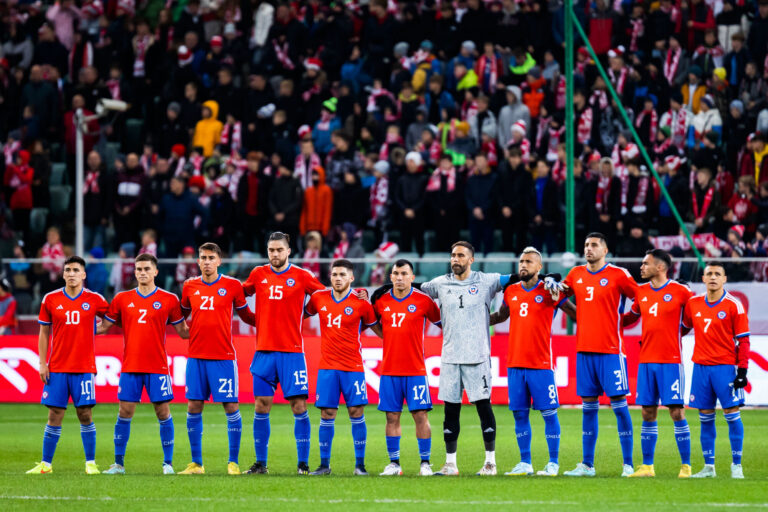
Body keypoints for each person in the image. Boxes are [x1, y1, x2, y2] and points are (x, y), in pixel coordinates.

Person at [97, 253, 190, 474]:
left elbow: (183, 332)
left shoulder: (169, 299)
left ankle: (168, 464)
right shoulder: (122, 299)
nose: (142, 273)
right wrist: (77, 328)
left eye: (147, 269)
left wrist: (208, 324)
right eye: (138, 269)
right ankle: (118, 464)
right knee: (124, 411)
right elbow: (103, 327)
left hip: (157, 366)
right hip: (130, 366)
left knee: (163, 411)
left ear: (156, 271)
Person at [241, 232, 325, 475]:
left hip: (292, 353)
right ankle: (260, 463)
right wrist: (249, 317)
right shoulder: (258, 274)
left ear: (289, 251)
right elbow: (239, 296)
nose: (275, 254)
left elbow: (322, 298)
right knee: (261, 405)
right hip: (264, 351)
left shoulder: (301, 275)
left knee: (299, 406)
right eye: (271, 250)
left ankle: (302, 464)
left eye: (279, 250)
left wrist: (305, 313)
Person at [489, 248, 576, 476]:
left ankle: (553, 463)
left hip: (541, 364)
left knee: (548, 413)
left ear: (539, 267)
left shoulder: (549, 291)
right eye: (521, 261)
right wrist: (472, 321)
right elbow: (500, 316)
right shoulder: (511, 291)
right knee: (519, 414)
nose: (523, 265)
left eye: (529, 261)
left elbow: (575, 313)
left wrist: (558, 293)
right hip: (515, 363)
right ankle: (525, 463)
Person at [561, 233, 638, 477]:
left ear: (605, 251)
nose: (588, 249)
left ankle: (628, 464)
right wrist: (578, 315)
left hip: (611, 351)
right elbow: (560, 298)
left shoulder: (619, 275)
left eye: (594, 245)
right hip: (584, 350)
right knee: (588, 408)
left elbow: (642, 299)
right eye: (586, 245)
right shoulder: (575, 274)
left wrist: (626, 320)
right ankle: (587, 464)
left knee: (619, 406)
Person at [178, 242, 255, 475]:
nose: (207, 261)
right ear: (198, 261)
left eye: (212, 257)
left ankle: (233, 462)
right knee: (193, 406)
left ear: (219, 261)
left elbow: (247, 316)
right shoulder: (190, 286)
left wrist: (272, 320)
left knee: (231, 406)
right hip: (196, 356)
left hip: (223, 357)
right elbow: (179, 315)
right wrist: (182, 332)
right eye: (203, 257)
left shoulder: (232, 285)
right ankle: (196, 463)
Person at [26, 256, 109, 475]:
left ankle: (90, 463)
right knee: (54, 414)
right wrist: (42, 363)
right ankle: (46, 464)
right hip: (58, 368)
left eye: (75, 270)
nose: (71, 274)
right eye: (68, 270)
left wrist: (96, 329)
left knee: (85, 414)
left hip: (84, 368)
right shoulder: (50, 299)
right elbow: (44, 333)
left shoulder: (95, 299)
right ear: (63, 274)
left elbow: (111, 319)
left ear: (83, 274)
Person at [621, 250, 694, 478]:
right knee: (647, 411)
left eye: (646, 263)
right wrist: (600, 316)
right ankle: (647, 467)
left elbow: (692, 320)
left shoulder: (681, 292)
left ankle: (686, 466)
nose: (641, 267)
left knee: (676, 412)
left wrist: (675, 335)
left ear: (660, 267)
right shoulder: (641, 292)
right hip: (646, 361)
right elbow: (630, 318)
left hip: (671, 361)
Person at [303, 259, 377, 476]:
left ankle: (360, 465)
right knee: (327, 413)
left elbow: (377, 328)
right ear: (330, 277)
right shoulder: (318, 298)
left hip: (353, 366)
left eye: (342, 274)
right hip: (327, 367)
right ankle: (324, 465)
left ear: (351, 278)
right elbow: (300, 313)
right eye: (334, 274)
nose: (337, 278)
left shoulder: (362, 303)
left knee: (356, 411)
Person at [370, 259, 441, 476]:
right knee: (392, 417)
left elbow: (443, 324)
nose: (399, 277)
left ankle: (425, 464)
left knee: (420, 415)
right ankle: (394, 464)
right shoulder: (381, 301)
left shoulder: (424, 301)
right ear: (390, 277)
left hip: (416, 370)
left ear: (412, 277)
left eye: (404, 273)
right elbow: (373, 323)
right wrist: (388, 338)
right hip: (390, 370)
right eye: (395, 273)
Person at [682, 262, 750, 479]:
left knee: (731, 414)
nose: (712, 277)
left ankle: (736, 465)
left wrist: (742, 371)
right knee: (705, 417)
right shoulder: (693, 303)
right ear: (703, 279)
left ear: (724, 279)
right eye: (709, 274)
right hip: (701, 368)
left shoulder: (734, 305)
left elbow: (744, 341)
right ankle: (709, 467)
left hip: (724, 369)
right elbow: (682, 329)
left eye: (717, 274)